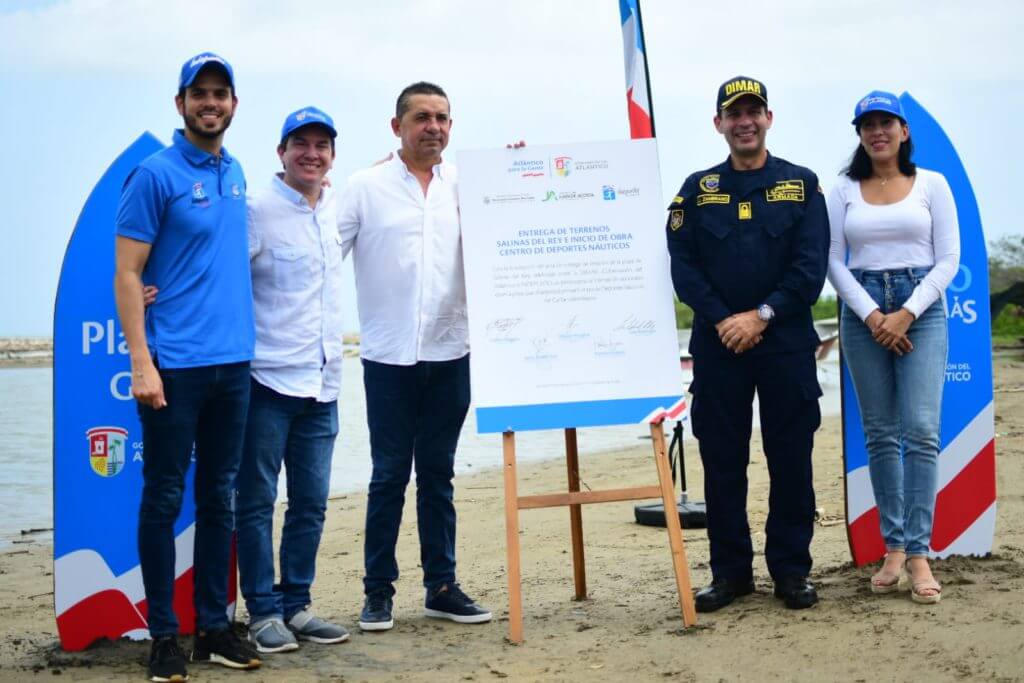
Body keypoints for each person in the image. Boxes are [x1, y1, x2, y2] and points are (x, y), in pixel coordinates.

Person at [114, 52, 260, 680]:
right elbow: (126, 273)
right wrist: (142, 363)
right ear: (180, 104)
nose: (210, 103)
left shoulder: (236, 170)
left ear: (232, 104)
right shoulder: (155, 174)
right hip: (175, 367)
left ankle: (214, 627)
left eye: (220, 93)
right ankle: (165, 636)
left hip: (235, 366)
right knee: (163, 498)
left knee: (220, 498)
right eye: (199, 93)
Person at [665, 76, 830, 612]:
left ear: (768, 118)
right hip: (718, 348)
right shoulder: (695, 190)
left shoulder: (802, 186)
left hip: (784, 345)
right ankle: (731, 575)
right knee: (722, 462)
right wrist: (725, 321)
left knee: (790, 461)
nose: (744, 121)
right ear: (719, 124)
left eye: (753, 111)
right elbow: (684, 269)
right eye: (733, 113)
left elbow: (810, 269)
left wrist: (759, 317)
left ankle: (791, 572)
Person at [337, 81, 492, 631]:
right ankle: (378, 592)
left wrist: (523, 173)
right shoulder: (364, 187)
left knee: (438, 475)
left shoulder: (469, 185)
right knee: (386, 476)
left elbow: (510, 224)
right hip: (388, 357)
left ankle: (441, 586)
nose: (435, 127)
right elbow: (318, 250)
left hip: (453, 349)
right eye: (423, 117)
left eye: (444, 118)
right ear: (397, 126)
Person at [826, 91, 959, 604]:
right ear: (859, 133)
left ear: (903, 131)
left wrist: (907, 312)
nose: (877, 132)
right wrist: (874, 316)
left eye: (886, 123)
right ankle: (894, 548)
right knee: (881, 435)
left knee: (921, 432)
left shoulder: (933, 184)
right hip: (864, 313)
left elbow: (949, 259)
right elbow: (834, 260)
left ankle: (920, 554)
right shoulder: (841, 189)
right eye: (867, 124)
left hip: (921, 311)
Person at [234, 106, 351, 653]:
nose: (311, 153)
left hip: (323, 384)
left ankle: (296, 604)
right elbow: (219, 274)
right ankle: (261, 612)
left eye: (322, 145)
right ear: (281, 151)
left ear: (332, 155)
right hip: (267, 383)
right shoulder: (255, 210)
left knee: (311, 503)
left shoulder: (335, 206)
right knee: (256, 502)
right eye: (300, 144)